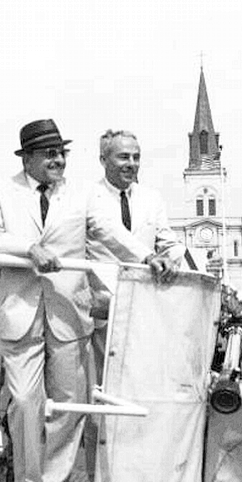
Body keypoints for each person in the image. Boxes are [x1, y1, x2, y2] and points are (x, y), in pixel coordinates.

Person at [0, 119, 167, 482]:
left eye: (61, 152)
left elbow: (111, 233)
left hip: (68, 314)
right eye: (49, 153)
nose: (58, 160)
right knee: (26, 401)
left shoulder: (81, 195)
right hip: (21, 314)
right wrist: (30, 249)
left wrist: (148, 257)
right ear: (27, 158)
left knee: (69, 404)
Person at [86, 129, 185, 380]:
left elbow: (167, 241)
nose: (131, 164)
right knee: (104, 388)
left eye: (136, 157)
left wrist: (175, 257)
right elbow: (109, 234)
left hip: (145, 311)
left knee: (142, 385)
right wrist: (149, 258)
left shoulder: (152, 199)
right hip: (104, 316)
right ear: (103, 160)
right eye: (123, 157)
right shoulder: (88, 197)